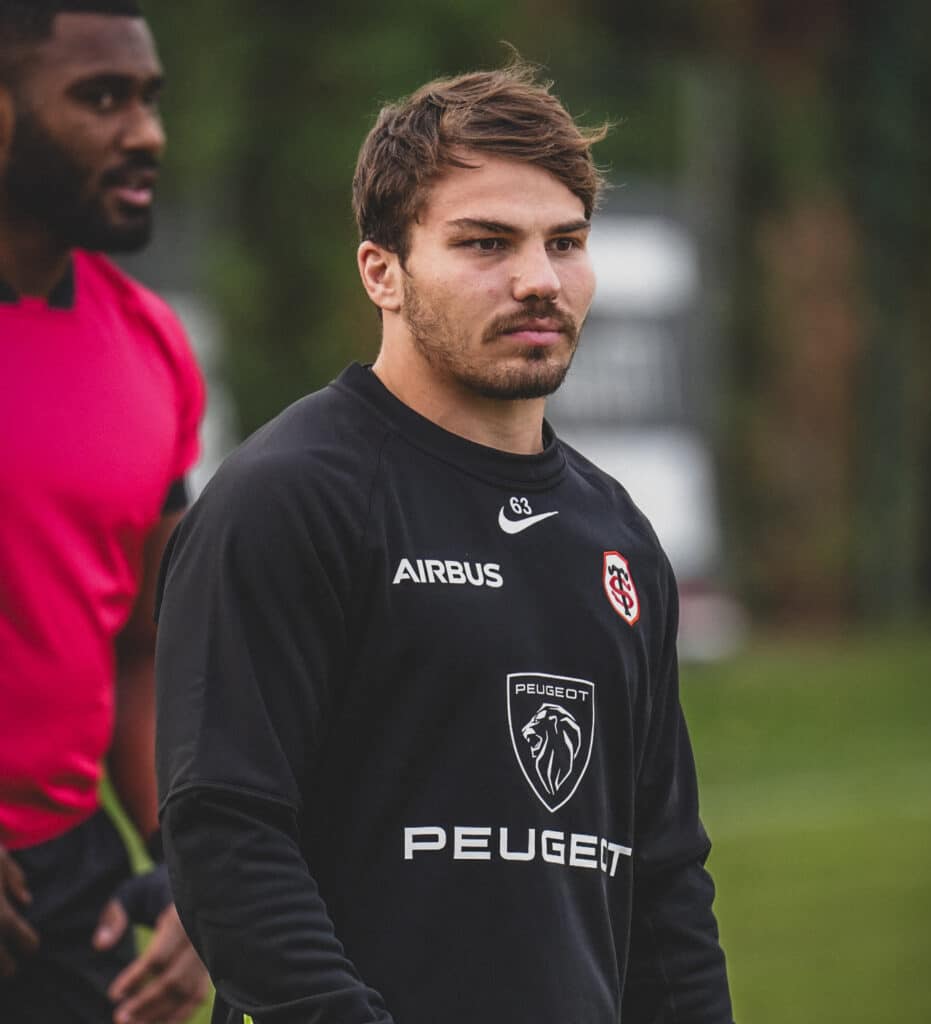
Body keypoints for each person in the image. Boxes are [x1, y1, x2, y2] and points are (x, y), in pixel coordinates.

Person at [156, 60, 734, 1024]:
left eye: (567, 241)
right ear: (382, 269)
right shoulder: (290, 498)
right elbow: (225, 831)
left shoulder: (619, 537)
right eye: (484, 243)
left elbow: (665, 878)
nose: (539, 279)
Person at [0, 1, 210, 1021]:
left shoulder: (152, 348)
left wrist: (192, 867)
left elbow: (145, 644)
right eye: (101, 98)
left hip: (67, 885)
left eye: (149, 98)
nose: (146, 133)